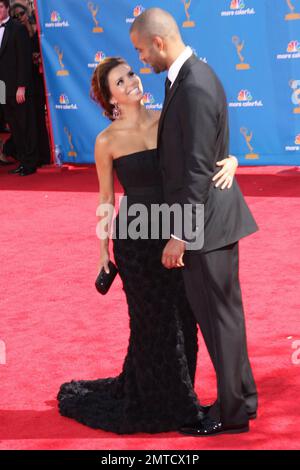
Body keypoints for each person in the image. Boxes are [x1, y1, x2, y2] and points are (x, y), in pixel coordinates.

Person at [57, 57, 239, 434]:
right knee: (152, 323)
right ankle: (174, 406)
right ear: (110, 100)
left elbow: (202, 158)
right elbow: (106, 199)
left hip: (177, 232)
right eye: (120, 83)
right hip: (135, 241)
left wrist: (233, 160)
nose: (131, 83)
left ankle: (177, 394)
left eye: (131, 75)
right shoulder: (106, 141)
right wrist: (102, 252)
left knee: (185, 319)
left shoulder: (167, 121)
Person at [130, 8, 258, 436]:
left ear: (159, 43)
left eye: (141, 50)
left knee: (219, 321)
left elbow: (198, 170)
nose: (141, 59)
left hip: (205, 227)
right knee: (226, 318)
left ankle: (231, 413)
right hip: (211, 222)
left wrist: (179, 236)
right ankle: (241, 397)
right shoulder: (189, 78)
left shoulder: (195, 85)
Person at [10, 1, 51, 167]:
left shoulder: (38, 33)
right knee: (28, 120)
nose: (20, 18)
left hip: (39, 80)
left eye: (22, 14)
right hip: (25, 83)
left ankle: (44, 156)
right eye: (16, 16)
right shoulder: (15, 34)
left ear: (28, 14)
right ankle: (29, 155)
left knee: (40, 119)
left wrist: (39, 58)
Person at [0, 0, 38, 176]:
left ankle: (30, 163)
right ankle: (22, 161)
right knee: (14, 127)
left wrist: (21, 86)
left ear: (7, 8)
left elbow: (24, 60)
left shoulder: (17, 28)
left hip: (17, 88)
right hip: (2, 89)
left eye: (0, 6)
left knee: (25, 125)